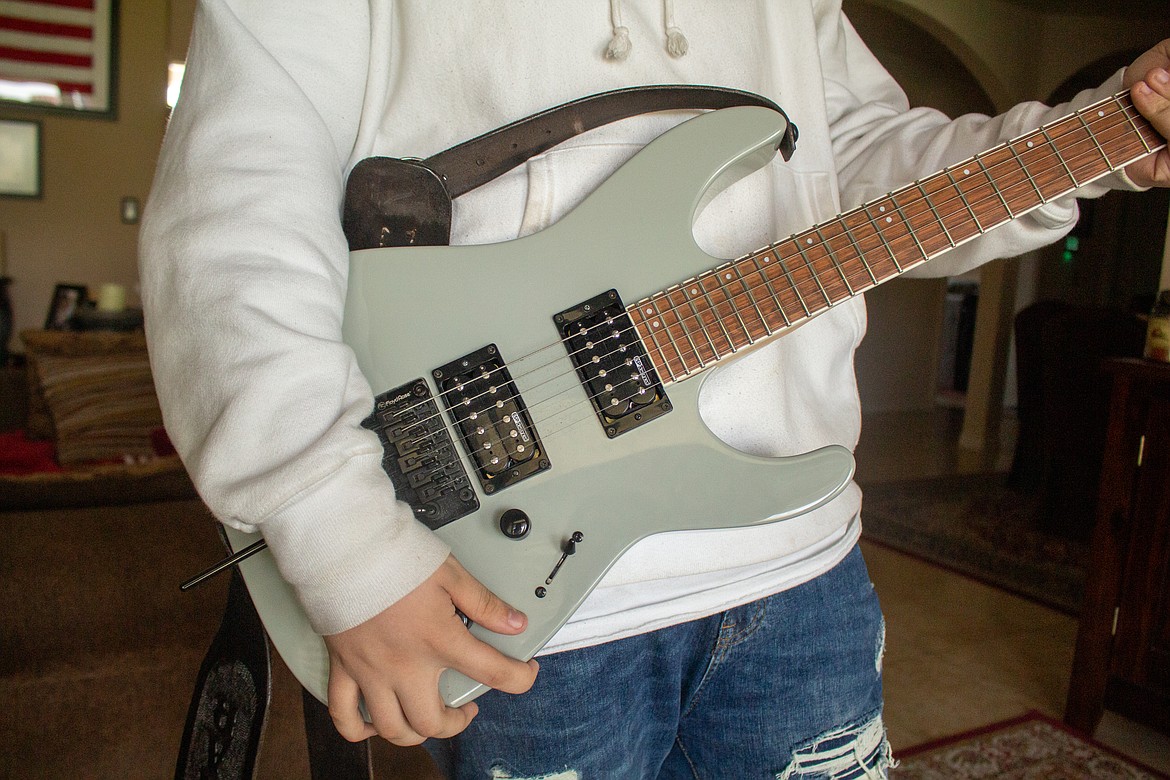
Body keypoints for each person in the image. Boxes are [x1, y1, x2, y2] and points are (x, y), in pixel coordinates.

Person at [140, 2, 1170, 777]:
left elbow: (847, 161)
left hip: (801, 567)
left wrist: (1108, 134)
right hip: (529, 592)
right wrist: (339, 540)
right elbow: (231, 234)